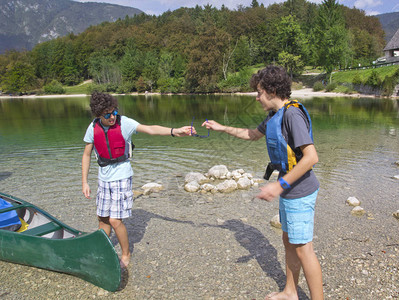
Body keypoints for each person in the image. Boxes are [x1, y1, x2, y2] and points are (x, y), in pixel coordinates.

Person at [202, 65, 323, 300]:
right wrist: (220, 127)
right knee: (289, 242)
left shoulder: (291, 115)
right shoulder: (274, 116)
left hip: (299, 190)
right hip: (289, 190)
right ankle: (290, 291)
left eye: (259, 92)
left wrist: (279, 185)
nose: (256, 98)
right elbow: (252, 134)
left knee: (303, 249)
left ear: (273, 90)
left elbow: (311, 157)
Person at [82, 92, 194, 268]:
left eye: (114, 112)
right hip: (103, 178)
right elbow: (87, 154)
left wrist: (175, 131)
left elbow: (150, 129)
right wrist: (84, 182)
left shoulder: (124, 123)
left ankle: (126, 255)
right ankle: (103, 249)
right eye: (107, 114)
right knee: (102, 218)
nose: (112, 117)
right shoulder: (93, 127)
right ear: (98, 115)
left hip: (121, 177)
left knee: (115, 220)